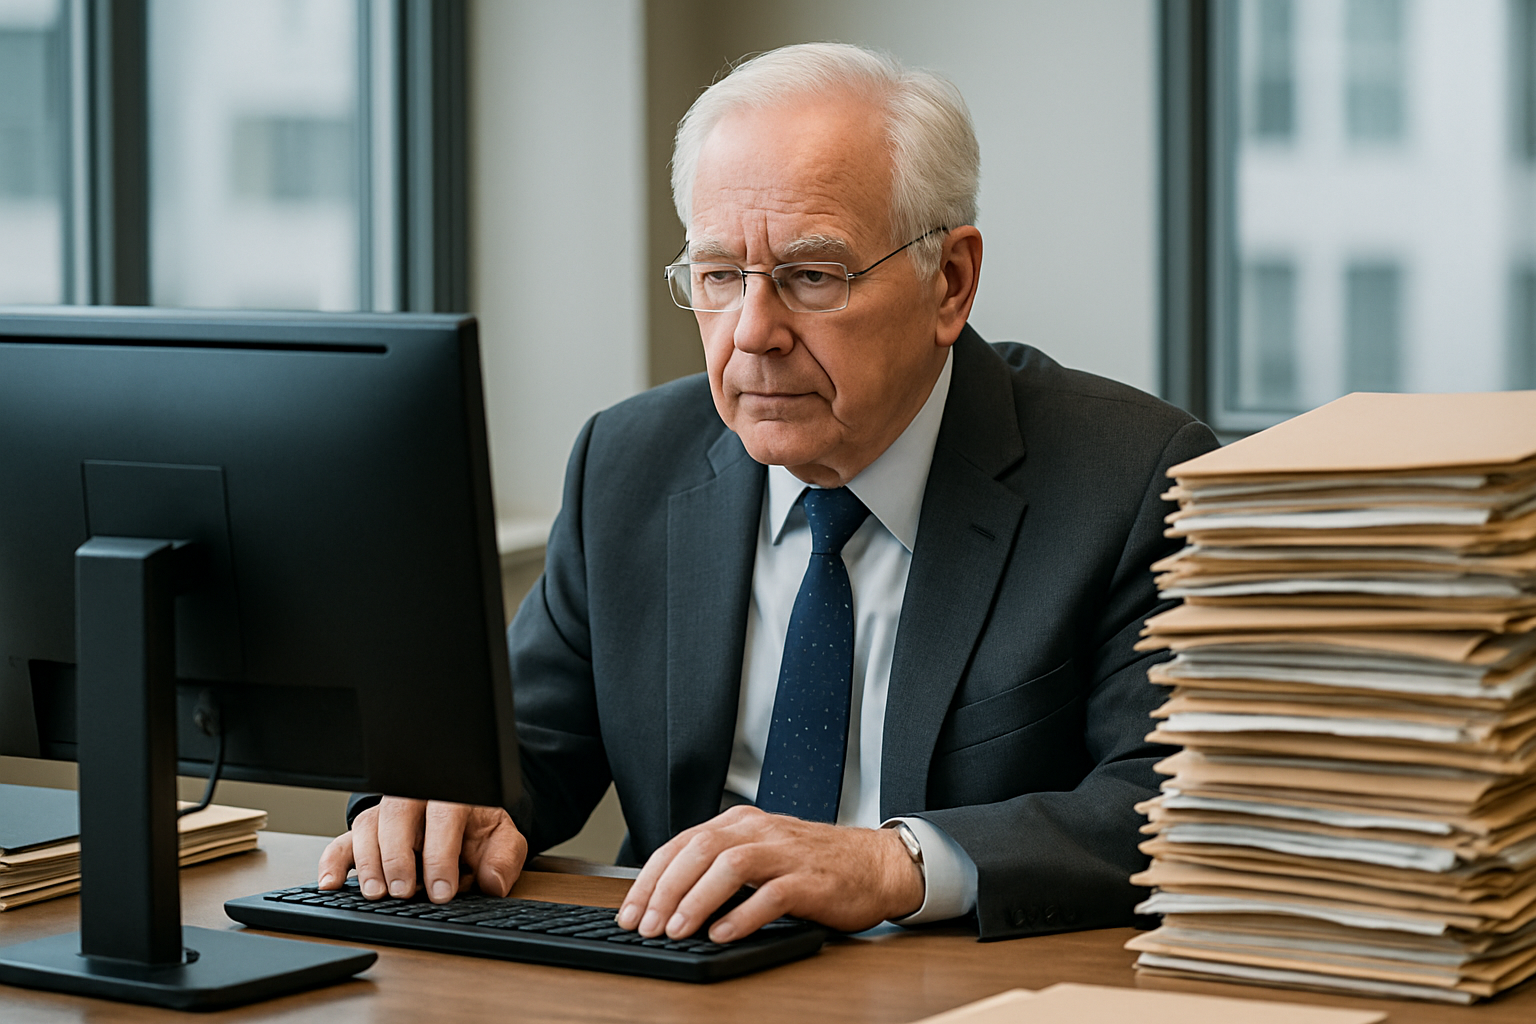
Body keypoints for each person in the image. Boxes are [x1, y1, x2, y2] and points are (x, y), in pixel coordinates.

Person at [319, 42, 1217, 944]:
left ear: (950, 282)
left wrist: (891, 862)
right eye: (718, 276)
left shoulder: (1132, 477)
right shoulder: (629, 462)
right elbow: (521, 752)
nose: (752, 332)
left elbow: (1174, 801)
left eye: (812, 276)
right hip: (687, 976)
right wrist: (447, 804)